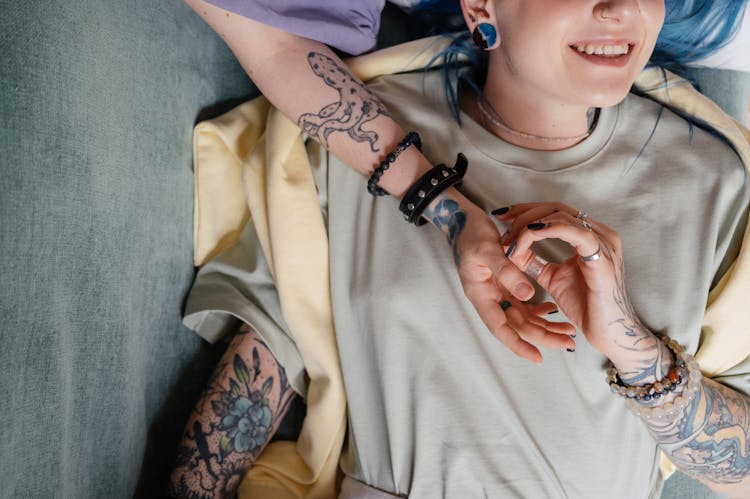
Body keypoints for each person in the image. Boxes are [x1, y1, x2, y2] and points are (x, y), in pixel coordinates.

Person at [169, 0, 750, 498]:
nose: (618, 8)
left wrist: (635, 349)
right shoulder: (356, 132)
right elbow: (276, 339)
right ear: (481, 8)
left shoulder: (713, 180)